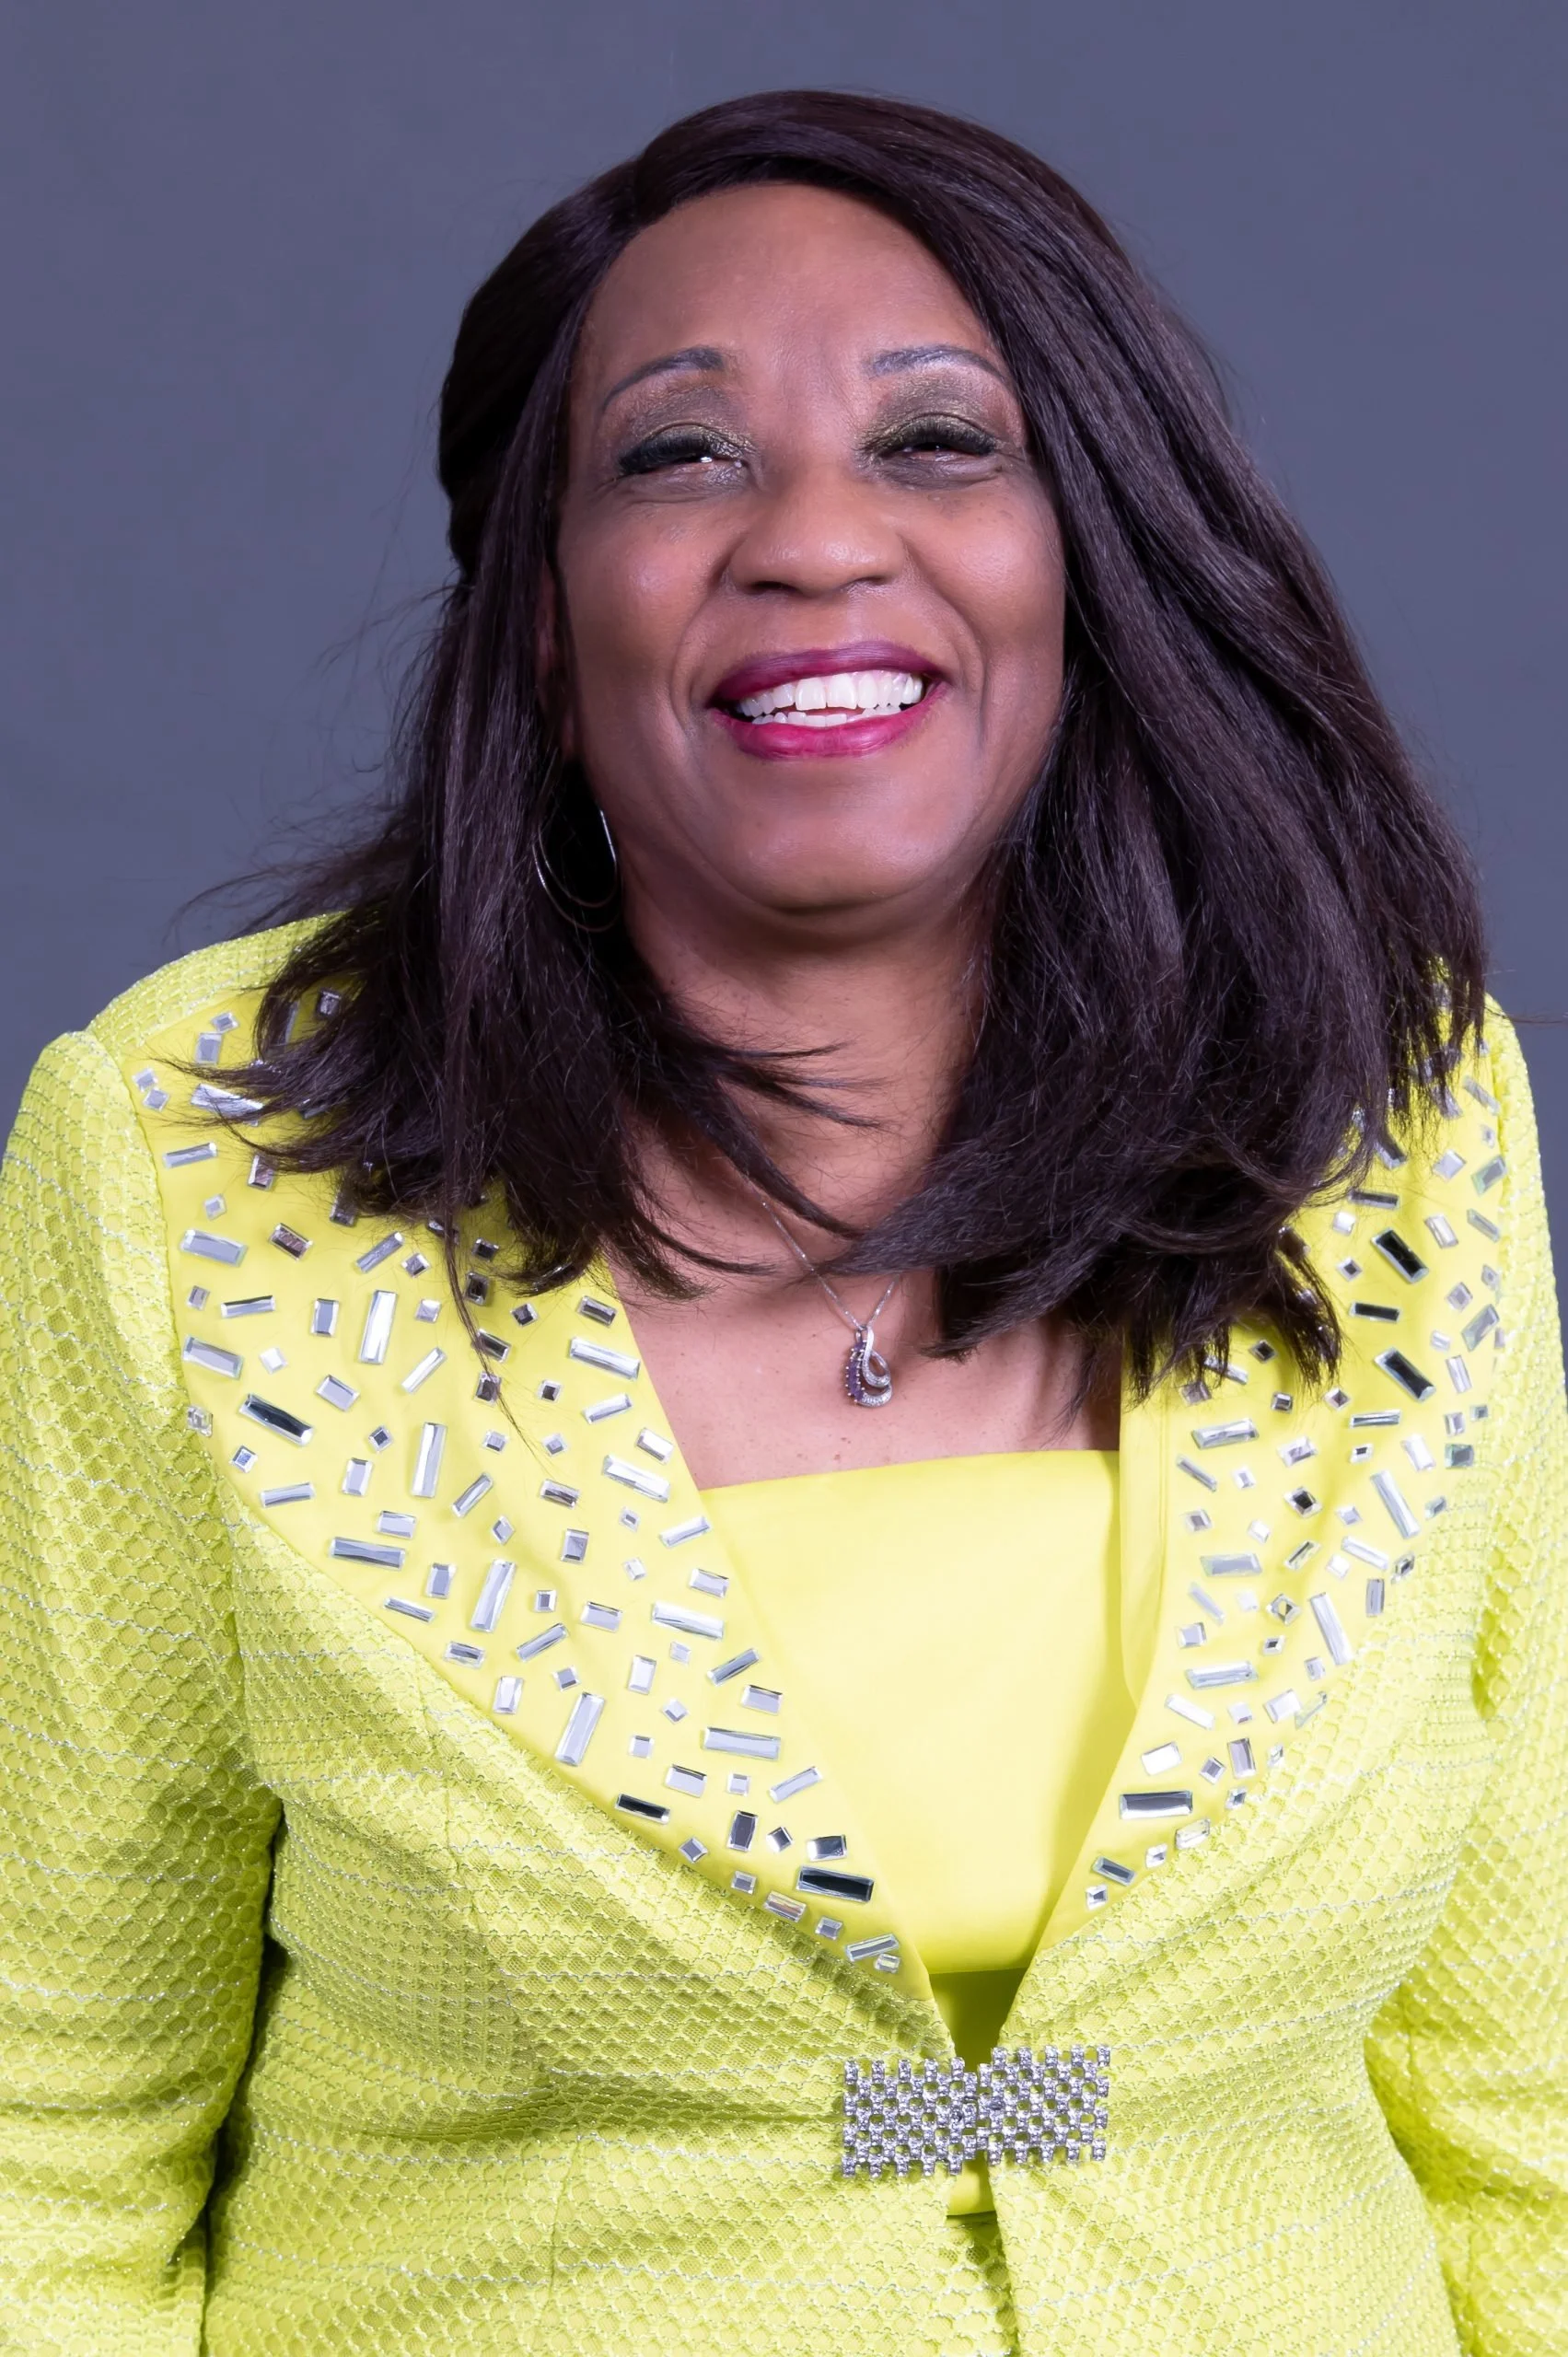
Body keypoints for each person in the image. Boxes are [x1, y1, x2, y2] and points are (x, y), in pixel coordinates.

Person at [0, 87, 1561, 2357]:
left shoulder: (1389, 1111)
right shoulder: (186, 1152)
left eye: (938, 443)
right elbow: (39, 2122)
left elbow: (1527, 2089)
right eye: (678, 455)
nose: (815, 537)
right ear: (539, 617)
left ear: (1087, 552)